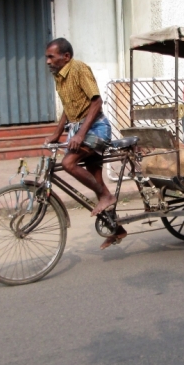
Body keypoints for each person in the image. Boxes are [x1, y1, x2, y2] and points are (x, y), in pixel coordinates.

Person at [44, 38, 127, 249]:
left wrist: (80, 134)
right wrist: (57, 133)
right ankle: (117, 229)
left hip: (96, 129)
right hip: (79, 129)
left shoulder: (79, 69)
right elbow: (68, 108)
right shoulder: (59, 77)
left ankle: (108, 196)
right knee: (96, 183)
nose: (47, 61)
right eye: (47, 57)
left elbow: (96, 102)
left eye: (51, 57)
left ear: (66, 57)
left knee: (69, 163)